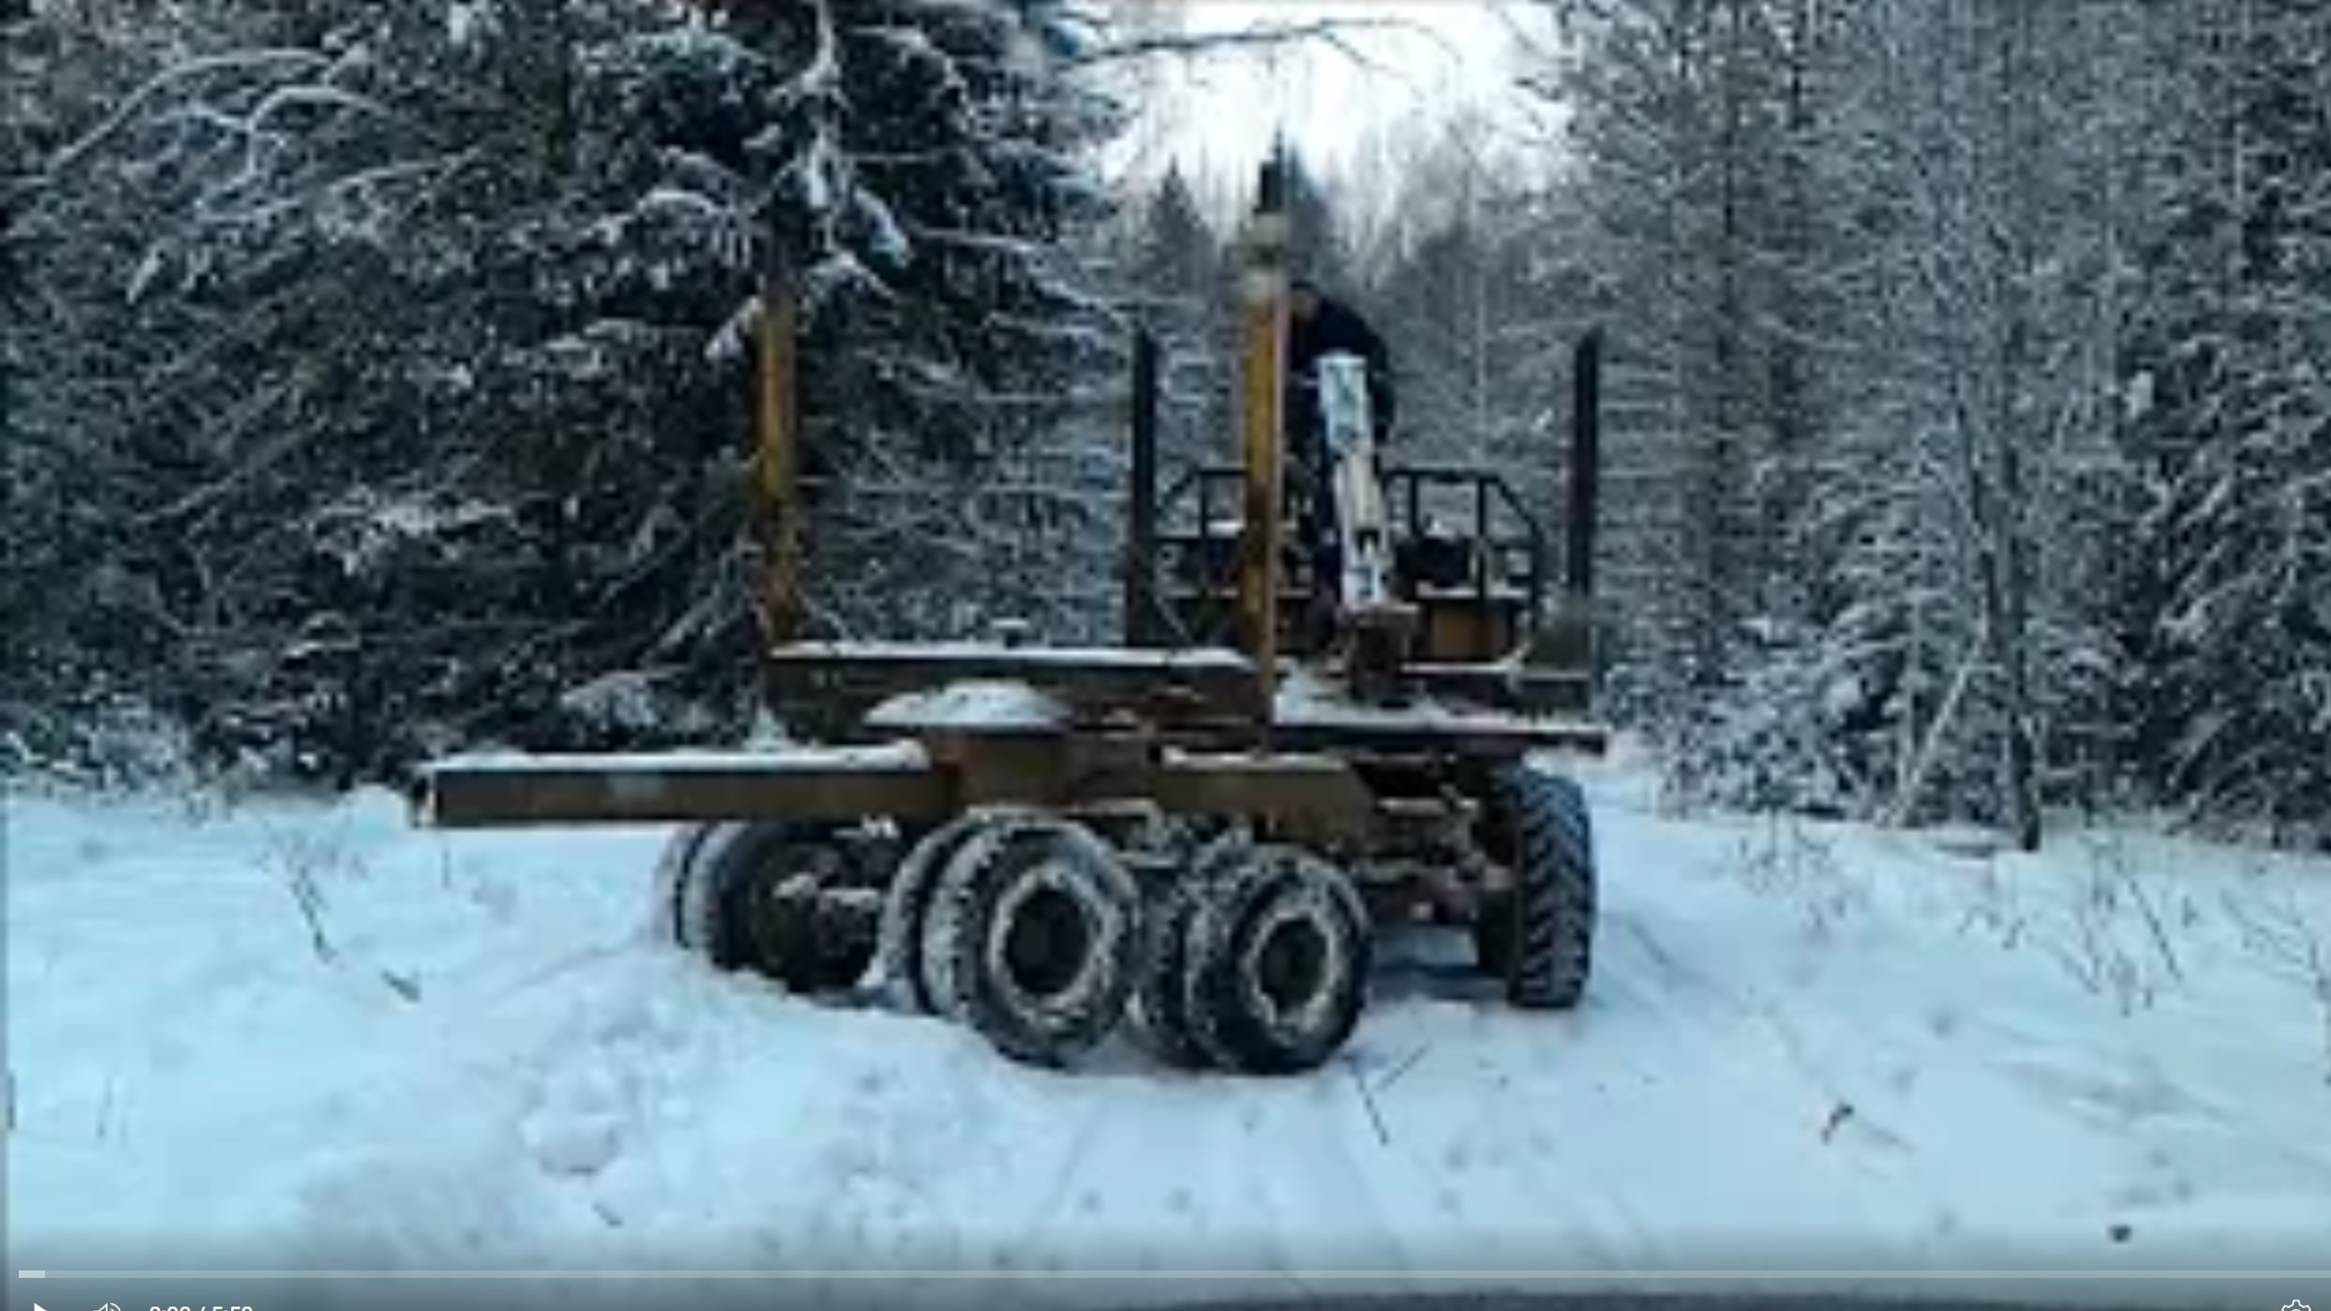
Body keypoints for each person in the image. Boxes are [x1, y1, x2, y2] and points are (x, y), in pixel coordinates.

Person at [1283, 279, 1396, 642]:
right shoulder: (1288, 334)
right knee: (1314, 501)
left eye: (1303, 301)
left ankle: (1352, 579)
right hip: (1312, 437)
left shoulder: (1344, 325)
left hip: (1353, 434)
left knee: (1353, 501)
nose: (1299, 308)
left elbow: (1378, 368)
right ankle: (1324, 573)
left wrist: (1373, 415)